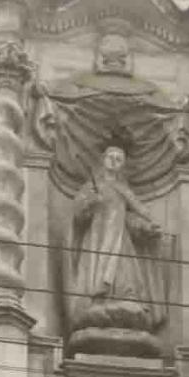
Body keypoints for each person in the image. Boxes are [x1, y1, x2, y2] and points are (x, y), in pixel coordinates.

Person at [66, 143, 167, 355]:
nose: (114, 161)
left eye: (118, 158)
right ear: (103, 160)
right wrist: (90, 201)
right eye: (110, 156)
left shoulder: (123, 191)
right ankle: (99, 302)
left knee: (127, 278)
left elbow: (133, 216)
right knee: (96, 276)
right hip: (97, 240)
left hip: (121, 243)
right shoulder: (92, 186)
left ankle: (124, 303)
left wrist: (147, 227)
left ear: (123, 165)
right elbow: (78, 214)